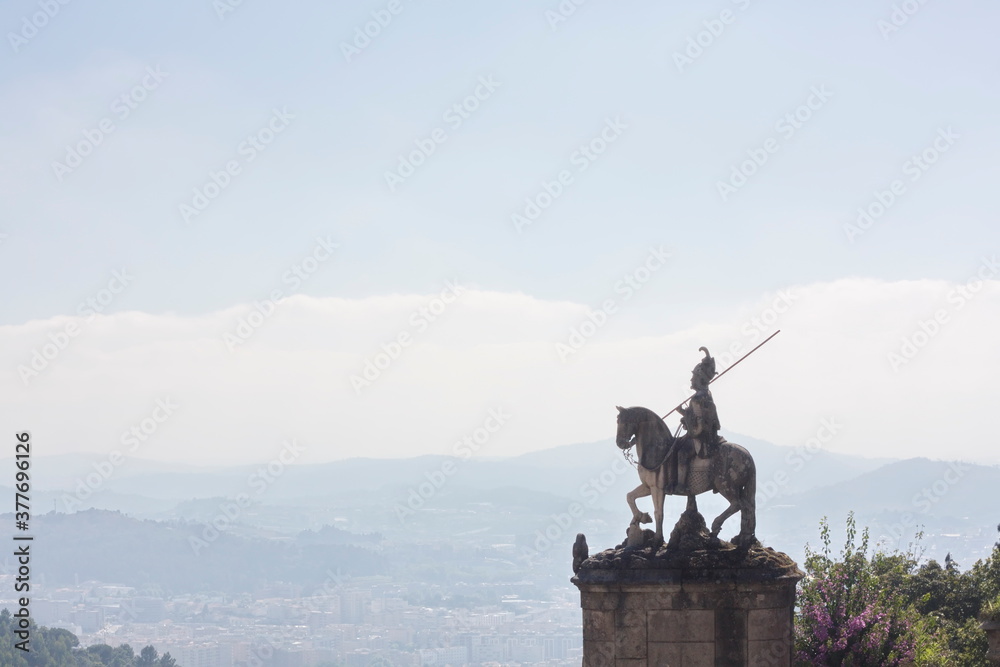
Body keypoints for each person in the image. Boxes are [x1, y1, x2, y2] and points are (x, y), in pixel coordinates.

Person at [670, 347, 721, 493]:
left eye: (693, 377)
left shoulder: (697, 398)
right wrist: (685, 413)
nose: (691, 380)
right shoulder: (706, 394)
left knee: (681, 453)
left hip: (700, 439)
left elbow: (698, 425)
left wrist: (684, 415)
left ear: (699, 379)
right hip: (709, 435)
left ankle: (680, 485)